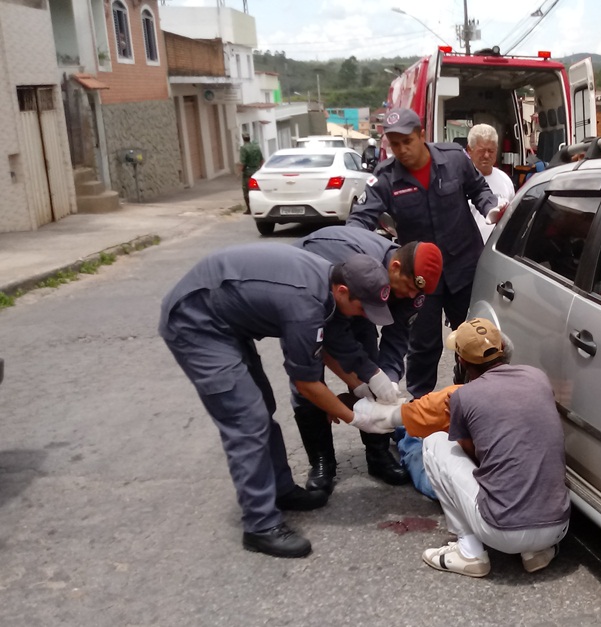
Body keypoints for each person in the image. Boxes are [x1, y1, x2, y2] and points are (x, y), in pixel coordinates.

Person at [159, 244, 396, 558]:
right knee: (247, 420)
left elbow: (337, 341)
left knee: (262, 407)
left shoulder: (328, 286)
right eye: (363, 308)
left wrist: (373, 379)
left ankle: (280, 490)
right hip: (196, 323)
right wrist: (358, 417)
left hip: (226, 319)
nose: (365, 316)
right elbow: (307, 383)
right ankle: (259, 525)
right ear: (342, 291)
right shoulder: (304, 305)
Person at [353, 318, 569, 577]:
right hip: (558, 527)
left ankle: (469, 552)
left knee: (435, 443)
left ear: (462, 362)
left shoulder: (462, 396)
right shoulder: (537, 377)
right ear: (503, 348)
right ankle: (536, 552)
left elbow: (469, 452)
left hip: (503, 532)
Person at [346, 107, 502, 399]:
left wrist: (490, 208)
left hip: (464, 269)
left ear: (421, 134)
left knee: (474, 339)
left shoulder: (454, 160)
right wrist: (359, 256)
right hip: (418, 279)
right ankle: (420, 409)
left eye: (407, 141)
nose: (402, 150)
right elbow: (359, 222)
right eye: (395, 144)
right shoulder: (385, 177)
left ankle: (477, 399)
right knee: (423, 346)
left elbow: (479, 189)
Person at [292, 226, 443, 492]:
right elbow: (336, 337)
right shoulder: (354, 269)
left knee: (370, 363)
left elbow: (398, 336)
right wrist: (369, 373)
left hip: (359, 301)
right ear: (394, 267)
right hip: (312, 298)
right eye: (408, 287)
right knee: (308, 376)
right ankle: (322, 461)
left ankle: (378, 454)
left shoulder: (411, 287)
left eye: (416, 293)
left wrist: (388, 377)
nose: (410, 296)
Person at [465, 123, 516, 241]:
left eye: (491, 151)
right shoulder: (461, 182)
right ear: (469, 150)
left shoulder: (505, 180)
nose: (486, 155)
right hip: (469, 253)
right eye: (481, 151)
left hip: (495, 251)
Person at [238, 133, 263, 215]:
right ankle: (259, 207)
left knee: (246, 191)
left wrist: (240, 172)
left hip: (248, 173)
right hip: (257, 171)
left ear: (243, 139)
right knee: (257, 190)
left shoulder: (243, 148)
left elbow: (243, 163)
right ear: (249, 138)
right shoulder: (256, 147)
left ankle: (249, 209)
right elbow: (262, 160)